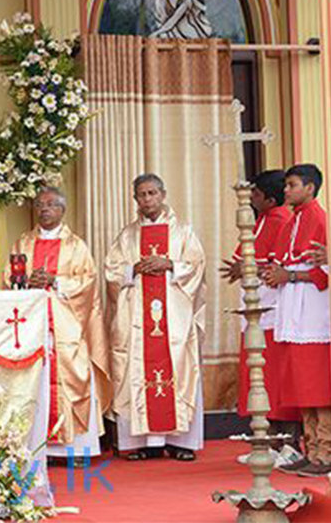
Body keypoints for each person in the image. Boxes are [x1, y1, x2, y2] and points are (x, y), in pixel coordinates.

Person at [105, 173, 206, 461]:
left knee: (178, 367)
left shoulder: (183, 232)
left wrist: (170, 264)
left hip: (173, 318)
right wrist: (132, 269)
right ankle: (144, 443)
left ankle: (181, 443)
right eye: (141, 194)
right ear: (135, 198)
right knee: (136, 368)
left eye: (152, 193)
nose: (147, 199)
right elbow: (111, 270)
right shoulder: (127, 236)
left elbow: (197, 266)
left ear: (163, 194)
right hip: (138, 317)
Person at [9, 187, 111, 463]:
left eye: (51, 204)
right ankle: (42, 449)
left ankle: (76, 449)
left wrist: (55, 282)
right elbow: (10, 278)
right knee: (37, 382)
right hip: (33, 325)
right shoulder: (22, 243)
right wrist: (27, 282)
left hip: (67, 324)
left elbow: (88, 284)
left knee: (73, 378)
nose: (44, 209)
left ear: (62, 210)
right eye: (40, 204)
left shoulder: (76, 245)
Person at [219, 170, 301, 467]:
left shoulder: (280, 220)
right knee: (262, 378)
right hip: (257, 308)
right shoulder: (263, 220)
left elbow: (280, 262)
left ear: (269, 197)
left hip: (274, 310)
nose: (250, 199)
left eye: (254, 194)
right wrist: (243, 267)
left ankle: (289, 444)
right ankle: (268, 443)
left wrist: (247, 267)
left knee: (277, 380)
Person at [261, 164, 331, 477]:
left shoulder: (318, 218)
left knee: (318, 386)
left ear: (310, 188)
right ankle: (312, 450)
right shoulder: (295, 219)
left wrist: (288, 274)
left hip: (314, 315)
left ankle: (326, 453)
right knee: (303, 386)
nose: (286, 190)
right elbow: (284, 259)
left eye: (291, 185)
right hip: (294, 313)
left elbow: (321, 273)